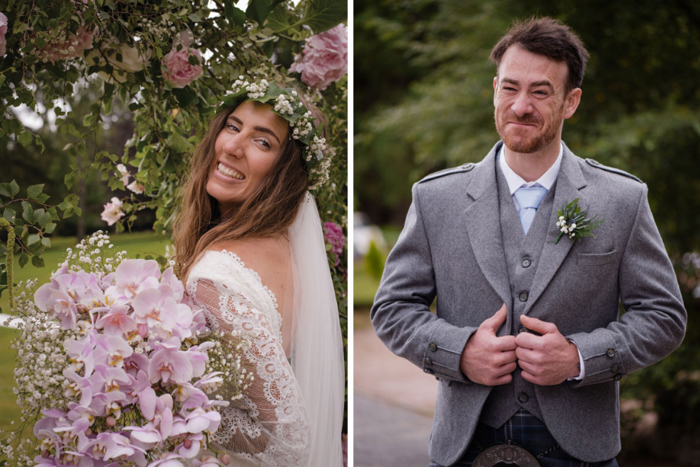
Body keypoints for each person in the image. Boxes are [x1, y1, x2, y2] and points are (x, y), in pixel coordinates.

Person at [371, 17, 686, 466]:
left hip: (583, 453)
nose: (520, 106)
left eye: (540, 92)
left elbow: (664, 316)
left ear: (570, 101)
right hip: (464, 448)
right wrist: (459, 353)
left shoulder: (622, 199)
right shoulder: (435, 198)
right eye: (509, 88)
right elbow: (391, 309)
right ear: (494, 89)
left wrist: (580, 357)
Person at [173, 78, 345, 467]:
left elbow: (287, 441)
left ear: (285, 173)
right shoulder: (285, 250)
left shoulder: (217, 279)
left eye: (262, 142)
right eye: (233, 127)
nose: (232, 146)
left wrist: (174, 397)